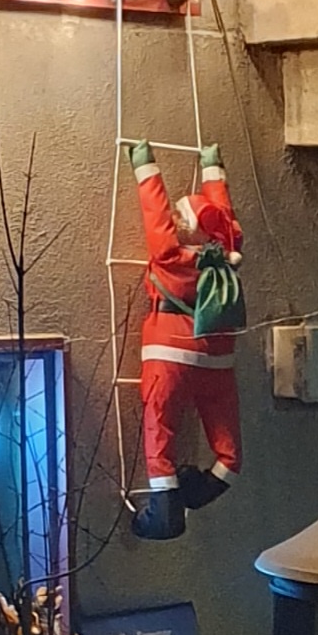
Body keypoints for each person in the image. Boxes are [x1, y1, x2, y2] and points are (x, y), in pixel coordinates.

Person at [127, 138, 245, 541]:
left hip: (168, 353)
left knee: (160, 431)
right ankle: (201, 489)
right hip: (218, 357)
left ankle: (165, 512)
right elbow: (224, 217)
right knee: (228, 448)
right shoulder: (227, 255)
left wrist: (145, 165)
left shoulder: (170, 255)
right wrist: (213, 169)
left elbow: (155, 213)